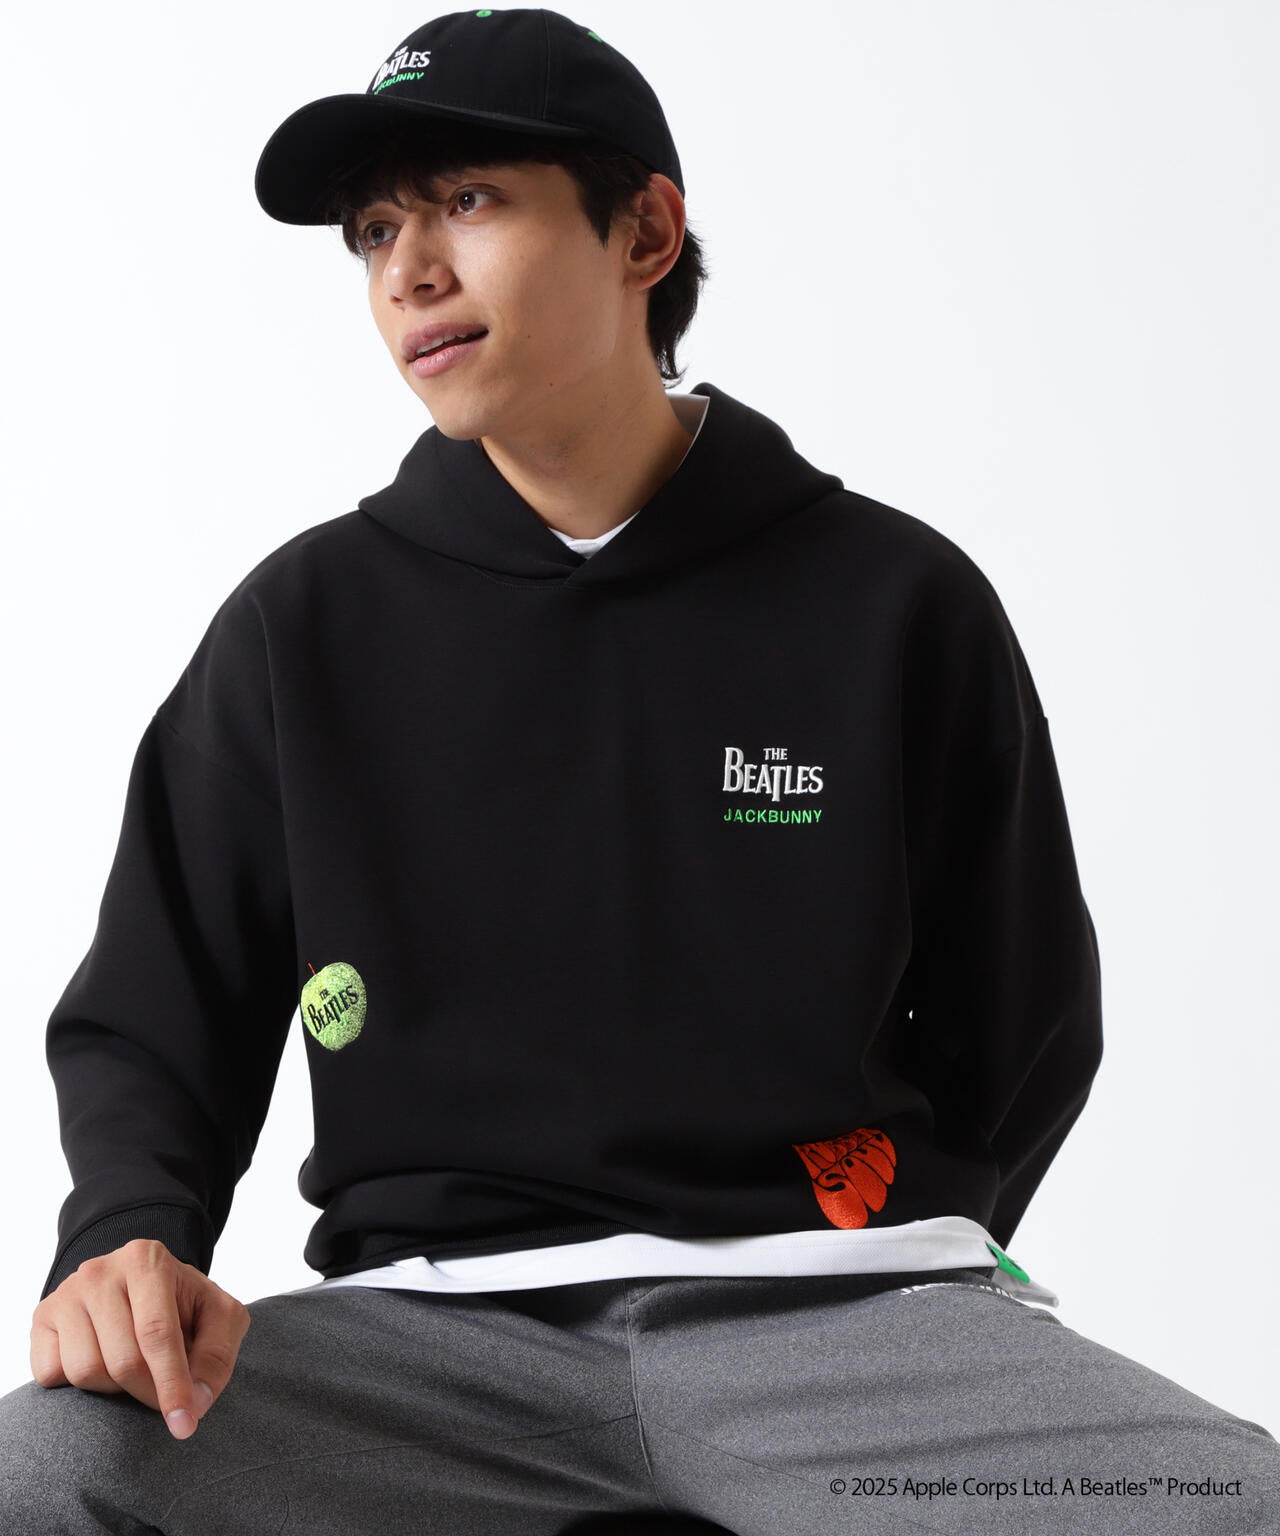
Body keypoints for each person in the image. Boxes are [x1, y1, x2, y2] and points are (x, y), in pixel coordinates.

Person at [2, 8, 1277, 1533]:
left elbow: (1028, 1017)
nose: (409, 270)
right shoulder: (301, 627)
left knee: (1222, 1501)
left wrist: (887, 1237)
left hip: (840, 1337)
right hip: (421, 1358)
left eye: (468, 199)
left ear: (647, 233)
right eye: (377, 230)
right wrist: (126, 1236)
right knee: (46, 1475)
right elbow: (157, 1013)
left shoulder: (894, 601)